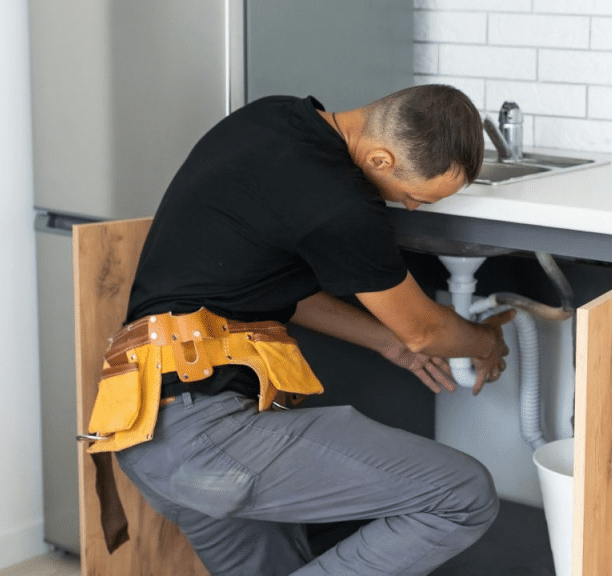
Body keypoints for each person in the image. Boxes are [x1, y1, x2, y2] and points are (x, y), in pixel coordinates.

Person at [91, 84, 513, 575]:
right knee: (463, 495)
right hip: (209, 437)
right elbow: (424, 329)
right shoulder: (342, 202)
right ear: (378, 158)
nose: (413, 210)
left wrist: (387, 342)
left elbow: (274, 290)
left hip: (147, 434)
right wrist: (487, 342)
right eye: (415, 196)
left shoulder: (270, 120)